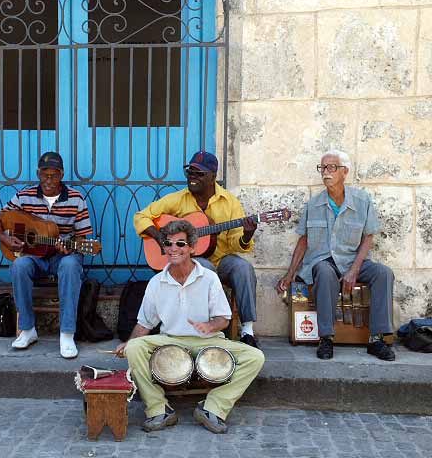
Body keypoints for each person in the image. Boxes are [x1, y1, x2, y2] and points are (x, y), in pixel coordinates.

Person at [115, 220, 264, 433]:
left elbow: (224, 319)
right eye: (168, 243)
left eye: (180, 244)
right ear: (164, 247)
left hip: (208, 341)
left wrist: (210, 326)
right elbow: (144, 324)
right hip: (171, 340)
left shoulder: (210, 278)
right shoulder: (156, 282)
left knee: (256, 357)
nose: (174, 249)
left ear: (192, 248)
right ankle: (159, 409)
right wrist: (128, 343)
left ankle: (213, 407)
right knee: (134, 347)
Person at [276, 150, 395, 361]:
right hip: (324, 261)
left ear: (345, 172)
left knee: (383, 273)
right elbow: (303, 240)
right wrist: (289, 274)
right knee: (323, 270)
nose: (326, 172)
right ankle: (326, 339)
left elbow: (368, 237)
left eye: (332, 167)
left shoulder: (362, 200)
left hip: (352, 260)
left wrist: (355, 270)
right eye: (323, 168)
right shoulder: (313, 205)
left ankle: (376, 339)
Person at [134, 151, 261, 348]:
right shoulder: (177, 199)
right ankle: (205, 330)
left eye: (199, 173)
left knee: (244, 268)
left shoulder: (229, 202)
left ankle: (247, 331)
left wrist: (246, 235)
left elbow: (236, 242)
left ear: (213, 176)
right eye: (190, 172)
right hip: (195, 261)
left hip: (223, 259)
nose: (192, 177)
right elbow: (141, 216)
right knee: (202, 268)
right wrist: (160, 237)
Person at [0, 152, 93, 359]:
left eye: (53, 176)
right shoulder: (24, 196)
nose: (48, 181)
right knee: (19, 265)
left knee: (71, 265)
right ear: (38, 173)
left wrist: (71, 247)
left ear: (61, 174)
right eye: (44, 175)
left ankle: (66, 333)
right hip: (35, 257)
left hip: (62, 257)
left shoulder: (76, 198)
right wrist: (4, 238)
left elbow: (84, 238)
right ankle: (27, 330)